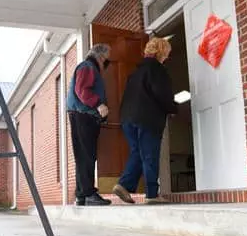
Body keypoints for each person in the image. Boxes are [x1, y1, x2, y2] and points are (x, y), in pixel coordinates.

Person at [112, 37, 178, 205]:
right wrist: (173, 108)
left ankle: (124, 184)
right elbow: (162, 93)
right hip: (147, 118)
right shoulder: (157, 69)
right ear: (161, 52)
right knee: (149, 154)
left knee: (137, 152)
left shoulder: (136, 71)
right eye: (167, 53)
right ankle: (151, 194)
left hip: (128, 118)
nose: (167, 57)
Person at [67, 43, 112, 206]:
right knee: (87, 155)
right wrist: (98, 104)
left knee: (82, 156)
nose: (107, 62)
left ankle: (81, 194)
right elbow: (82, 90)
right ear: (100, 56)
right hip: (84, 115)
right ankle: (88, 194)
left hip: (80, 115)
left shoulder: (87, 67)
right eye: (107, 58)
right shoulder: (87, 67)